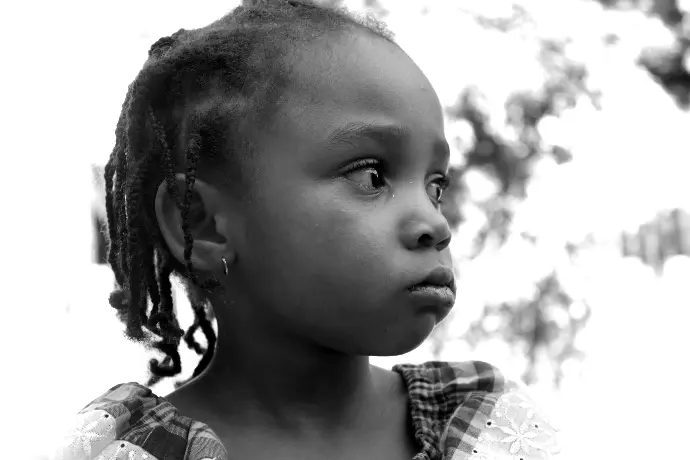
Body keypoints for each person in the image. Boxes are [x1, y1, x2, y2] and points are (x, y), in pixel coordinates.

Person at [49, 1, 560, 459]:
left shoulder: (487, 429)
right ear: (204, 226)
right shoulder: (130, 453)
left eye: (435, 186)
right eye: (372, 176)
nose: (434, 223)